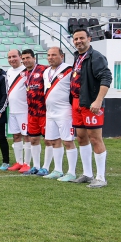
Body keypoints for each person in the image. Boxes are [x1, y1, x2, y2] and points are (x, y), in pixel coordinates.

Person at [70, 28, 112, 188]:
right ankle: (87, 174)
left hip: (91, 104)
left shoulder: (96, 57)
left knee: (95, 138)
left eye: (81, 38)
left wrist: (98, 100)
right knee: (81, 137)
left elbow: (106, 77)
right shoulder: (78, 56)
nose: (78, 41)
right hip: (77, 103)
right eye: (75, 39)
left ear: (89, 38)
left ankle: (101, 177)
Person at [42, 47, 78, 181]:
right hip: (50, 112)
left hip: (65, 111)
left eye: (54, 55)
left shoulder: (69, 69)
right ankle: (58, 170)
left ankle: (72, 172)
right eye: (49, 55)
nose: (50, 57)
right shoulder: (46, 72)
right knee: (53, 141)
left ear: (61, 56)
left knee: (68, 141)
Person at [21, 49, 50, 175]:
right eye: (24, 58)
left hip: (44, 111)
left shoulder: (45, 70)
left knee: (48, 140)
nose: (26, 60)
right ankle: (36, 166)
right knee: (33, 139)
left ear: (34, 58)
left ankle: (46, 167)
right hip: (32, 112)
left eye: (28, 58)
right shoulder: (24, 73)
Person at [4, 49, 30, 171]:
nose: (11, 59)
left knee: (27, 136)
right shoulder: (8, 71)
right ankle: (19, 162)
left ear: (20, 57)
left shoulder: (27, 70)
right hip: (12, 110)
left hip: (24, 110)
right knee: (16, 136)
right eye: (9, 57)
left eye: (14, 56)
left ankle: (27, 163)